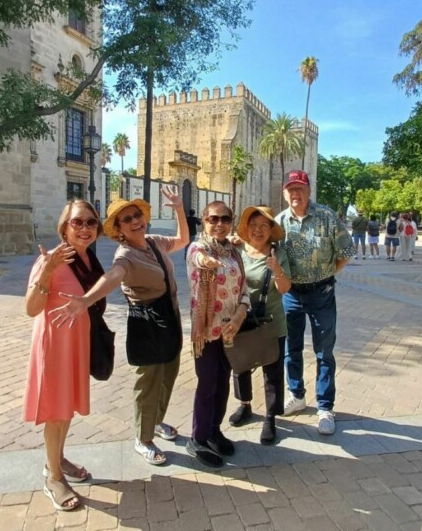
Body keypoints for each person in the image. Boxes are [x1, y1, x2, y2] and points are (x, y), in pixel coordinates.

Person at [53, 187, 188, 466]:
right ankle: (142, 437)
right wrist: (87, 299)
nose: (135, 220)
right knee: (148, 381)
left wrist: (178, 209)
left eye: (137, 215)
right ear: (119, 229)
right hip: (148, 325)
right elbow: (114, 276)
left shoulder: (154, 241)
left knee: (168, 375)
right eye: (127, 219)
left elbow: (183, 240)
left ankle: (156, 421)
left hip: (170, 319)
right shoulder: (124, 255)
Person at [23, 200, 101, 511]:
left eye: (91, 223)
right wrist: (48, 270)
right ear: (64, 228)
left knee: (66, 407)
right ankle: (53, 478)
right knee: (56, 411)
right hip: (55, 345)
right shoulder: (51, 259)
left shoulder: (87, 259)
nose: (85, 228)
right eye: (77, 222)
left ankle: (58, 458)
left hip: (77, 344)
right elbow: (30, 309)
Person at [275, 171, 355, 435]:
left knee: (324, 352)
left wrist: (328, 274)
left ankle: (325, 406)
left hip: (322, 294)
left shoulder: (327, 216)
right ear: (285, 193)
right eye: (290, 190)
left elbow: (345, 251)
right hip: (291, 295)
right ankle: (296, 395)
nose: (295, 194)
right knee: (291, 348)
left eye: (300, 189)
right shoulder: (279, 223)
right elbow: (259, 246)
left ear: (309, 191)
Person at [185, 202, 251, 467]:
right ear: (204, 220)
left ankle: (214, 430)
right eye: (213, 219)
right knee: (207, 384)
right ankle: (198, 438)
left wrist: (239, 316)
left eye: (225, 219)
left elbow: (244, 289)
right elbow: (199, 260)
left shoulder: (234, 252)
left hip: (230, 330)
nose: (219, 224)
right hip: (207, 332)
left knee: (223, 383)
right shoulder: (198, 248)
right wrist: (207, 262)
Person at [227, 206, 292, 445]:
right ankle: (245, 405)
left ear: (271, 230)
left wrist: (277, 270)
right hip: (239, 319)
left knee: (272, 371)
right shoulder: (236, 250)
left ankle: (270, 417)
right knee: (240, 364)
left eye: (264, 225)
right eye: (253, 225)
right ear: (246, 228)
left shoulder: (279, 253)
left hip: (271, 321)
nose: (258, 230)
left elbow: (285, 289)